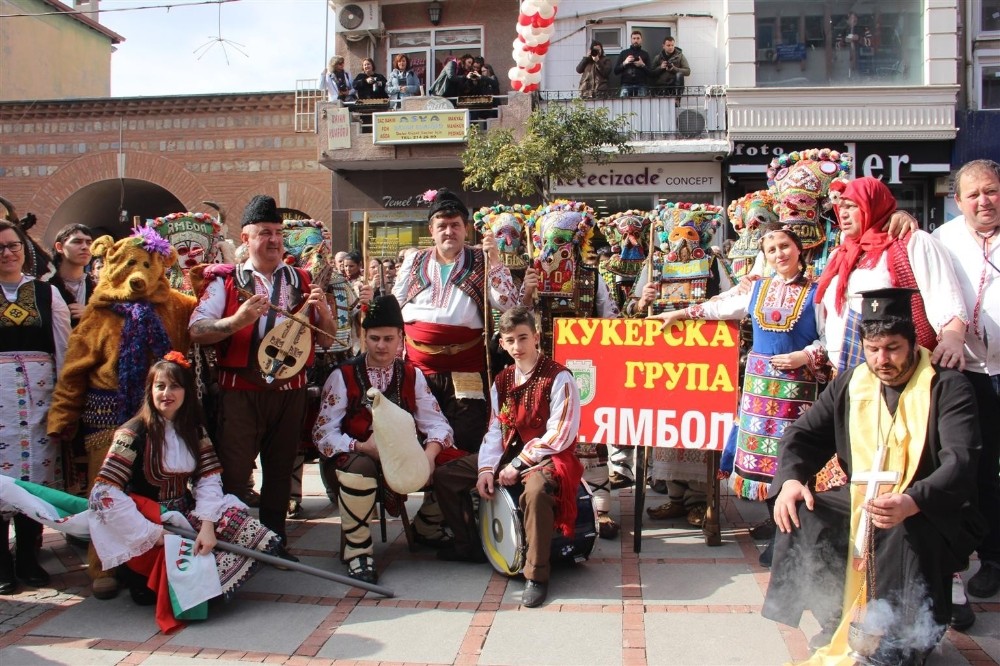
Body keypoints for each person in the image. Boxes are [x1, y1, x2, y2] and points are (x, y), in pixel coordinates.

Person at [762, 288, 985, 665]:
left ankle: (901, 639)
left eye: (893, 348)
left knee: (899, 525)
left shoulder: (947, 387)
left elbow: (960, 461)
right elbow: (802, 435)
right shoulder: (852, 383)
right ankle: (836, 618)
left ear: (914, 344)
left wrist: (913, 500)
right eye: (872, 349)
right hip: (864, 497)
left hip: (928, 504)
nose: (882, 360)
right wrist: (790, 481)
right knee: (806, 512)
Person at [649, 226, 830, 566]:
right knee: (762, 461)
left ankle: (791, 539)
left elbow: (828, 337)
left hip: (797, 391)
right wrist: (679, 313)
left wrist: (805, 356)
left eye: (785, 246)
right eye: (773, 248)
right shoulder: (757, 289)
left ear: (799, 249)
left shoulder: (818, 292)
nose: (780, 254)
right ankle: (781, 528)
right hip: (759, 389)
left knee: (791, 457)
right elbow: (720, 309)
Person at [188, 194, 337, 553]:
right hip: (239, 391)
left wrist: (325, 314)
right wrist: (237, 320)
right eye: (264, 232)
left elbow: (329, 341)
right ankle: (231, 542)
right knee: (235, 472)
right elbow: (196, 329)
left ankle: (274, 541)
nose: (273, 240)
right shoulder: (225, 282)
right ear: (246, 238)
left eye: (277, 232)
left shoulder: (301, 279)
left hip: (291, 392)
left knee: (280, 470)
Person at [87, 354, 282, 608]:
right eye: (160, 386)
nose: (167, 393)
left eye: (175, 386)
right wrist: (152, 534)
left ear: (187, 392)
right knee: (151, 596)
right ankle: (142, 573)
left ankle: (208, 582)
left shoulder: (194, 429)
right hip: (147, 523)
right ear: (150, 391)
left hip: (185, 515)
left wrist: (207, 525)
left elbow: (208, 479)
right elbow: (103, 493)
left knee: (241, 525)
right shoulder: (132, 434)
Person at [392, 188, 518, 545]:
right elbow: (395, 305)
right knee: (419, 438)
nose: (449, 232)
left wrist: (496, 264)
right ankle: (435, 515)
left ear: (467, 229)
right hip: (418, 368)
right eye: (442, 225)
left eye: (456, 225)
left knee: (465, 436)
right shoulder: (414, 260)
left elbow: (506, 304)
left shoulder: (482, 260)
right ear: (431, 230)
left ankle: (440, 515)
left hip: (466, 367)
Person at [433, 306, 582, 608]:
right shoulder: (502, 380)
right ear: (502, 343)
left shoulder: (559, 377)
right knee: (446, 476)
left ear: (537, 338)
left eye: (523, 338)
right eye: (510, 340)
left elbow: (561, 433)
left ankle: (536, 575)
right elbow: (494, 428)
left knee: (538, 492)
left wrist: (518, 464)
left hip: (545, 455)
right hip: (507, 451)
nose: (517, 346)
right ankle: (469, 545)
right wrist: (486, 468)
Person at [313, 296, 456, 583]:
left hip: (403, 455)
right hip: (353, 457)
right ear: (363, 337)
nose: (381, 345)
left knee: (456, 465)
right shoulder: (343, 375)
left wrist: (428, 456)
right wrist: (362, 447)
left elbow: (438, 423)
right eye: (374, 338)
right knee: (361, 470)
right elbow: (323, 432)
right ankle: (358, 552)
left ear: (401, 338)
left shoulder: (412, 375)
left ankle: (426, 526)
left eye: (389, 338)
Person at [932, 159, 1000, 602]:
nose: (983, 201)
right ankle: (985, 555)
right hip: (967, 372)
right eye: (973, 194)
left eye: (991, 191)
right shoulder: (943, 240)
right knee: (974, 468)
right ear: (957, 202)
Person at [815, 176, 967, 375]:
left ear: (873, 205)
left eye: (852, 206)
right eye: (840, 207)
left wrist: (952, 339)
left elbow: (944, 297)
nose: (843, 214)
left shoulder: (912, 242)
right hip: (845, 374)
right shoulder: (840, 254)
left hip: (899, 371)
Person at [0, 220, 71, 595]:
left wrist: (65, 400)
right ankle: (1, 563)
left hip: (40, 399)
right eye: (0, 248)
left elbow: (63, 348)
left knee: (34, 481)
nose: (8, 253)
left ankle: (28, 558)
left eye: (13, 245)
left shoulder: (46, 294)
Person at [48, 223, 95, 327]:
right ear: (59, 247)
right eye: (77, 242)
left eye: (89, 243)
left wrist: (92, 315)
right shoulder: (44, 287)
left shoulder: (98, 287)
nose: (85, 247)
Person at [651, 36, 690, 102]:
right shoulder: (657, 58)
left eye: (672, 45)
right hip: (661, 88)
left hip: (674, 87)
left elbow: (688, 71)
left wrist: (674, 69)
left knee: (679, 75)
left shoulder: (680, 56)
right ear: (663, 46)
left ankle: (677, 99)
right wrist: (660, 67)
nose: (671, 47)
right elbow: (651, 73)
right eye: (668, 45)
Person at [614, 30, 651, 97]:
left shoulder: (645, 54)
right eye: (634, 38)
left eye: (638, 38)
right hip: (626, 84)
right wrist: (625, 63)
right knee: (623, 106)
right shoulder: (624, 53)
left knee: (642, 106)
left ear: (641, 40)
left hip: (641, 84)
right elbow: (616, 71)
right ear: (631, 40)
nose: (636, 40)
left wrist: (642, 65)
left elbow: (651, 73)